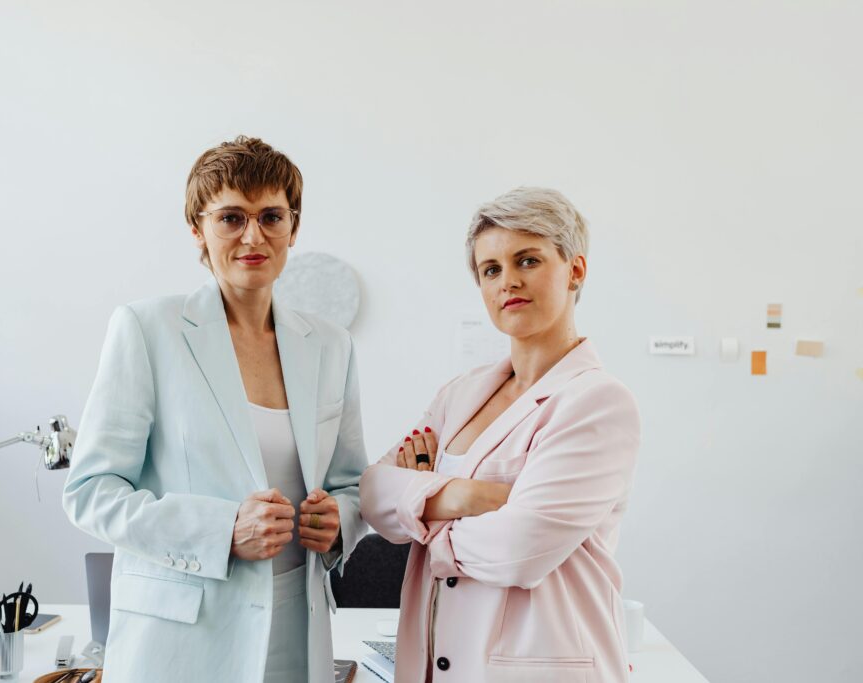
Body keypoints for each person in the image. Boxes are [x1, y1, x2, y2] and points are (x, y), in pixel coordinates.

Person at [63, 136, 368, 683]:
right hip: (182, 644)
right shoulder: (147, 328)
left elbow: (350, 482)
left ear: (293, 228)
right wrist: (222, 529)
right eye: (231, 217)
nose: (253, 236)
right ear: (198, 230)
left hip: (299, 634)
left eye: (271, 216)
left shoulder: (330, 344)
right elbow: (91, 493)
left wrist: (340, 522)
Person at [359, 186, 641, 683]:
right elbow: (373, 494)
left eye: (527, 260)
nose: (508, 281)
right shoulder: (462, 393)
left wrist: (422, 522)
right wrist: (464, 497)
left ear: (575, 270)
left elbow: (519, 550)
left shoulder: (597, 402)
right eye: (491, 270)